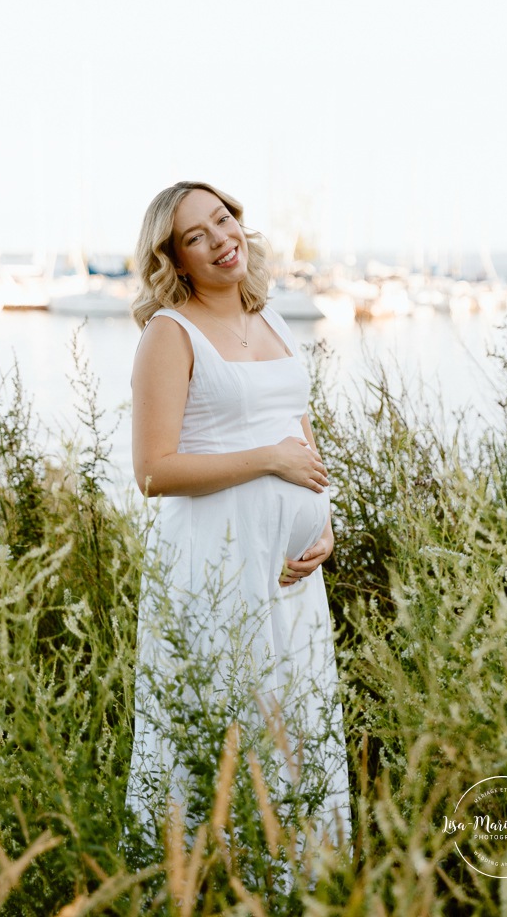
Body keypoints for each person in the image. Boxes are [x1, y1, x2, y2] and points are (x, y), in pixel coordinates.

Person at [125, 180, 350, 846]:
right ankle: (212, 881)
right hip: (215, 568)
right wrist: (267, 461)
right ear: (176, 258)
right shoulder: (170, 333)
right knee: (224, 722)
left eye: (222, 221)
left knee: (296, 724)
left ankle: (302, 885)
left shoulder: (272, 317)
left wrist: (324, 525)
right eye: (196, 236)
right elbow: (152, 471)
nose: (219, 240)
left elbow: (298, 439)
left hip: (291, 578)